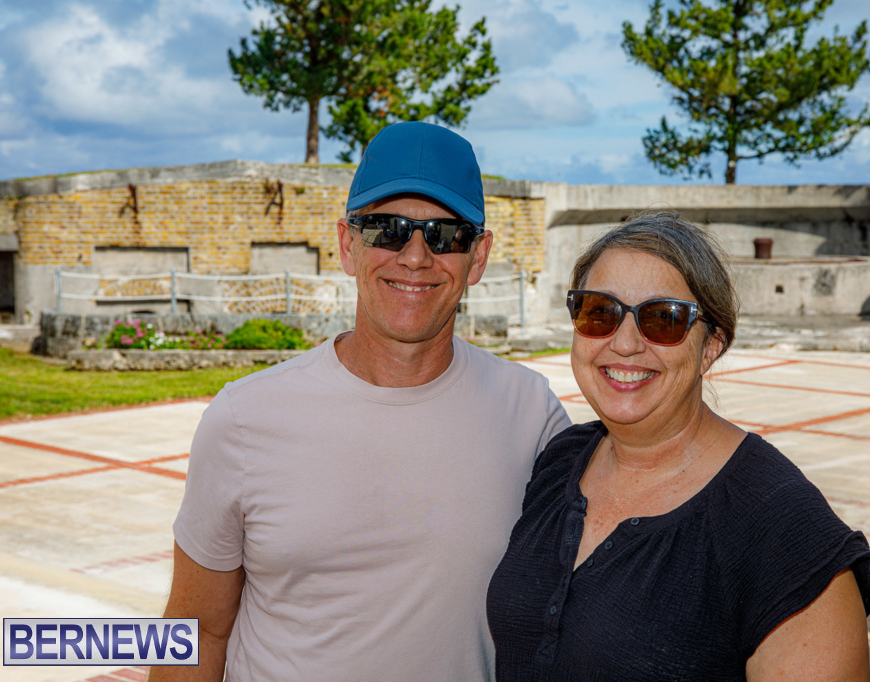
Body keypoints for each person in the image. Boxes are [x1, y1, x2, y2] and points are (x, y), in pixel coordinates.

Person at [152, 121, 571, 681]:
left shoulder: (532, 414)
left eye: (445, 235)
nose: (415, 257)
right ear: (349, 245)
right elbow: (198, 629)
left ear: (478, 257)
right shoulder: (244, 418)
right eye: (387, 230)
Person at [487, 213, 870, 681]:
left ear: (712, 345)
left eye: (663, 319)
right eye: (599, 311)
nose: (625, 344)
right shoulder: (561, 461)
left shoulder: (783, 530)